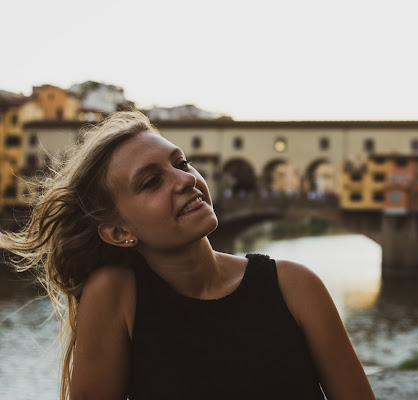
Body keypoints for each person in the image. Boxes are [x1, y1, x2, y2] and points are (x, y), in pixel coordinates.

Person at [1, 111, 375, 400]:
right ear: (119, 232)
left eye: (181, 163)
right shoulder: (116, 294)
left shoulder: (295, 285)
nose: (186, 180)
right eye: (151, 182)